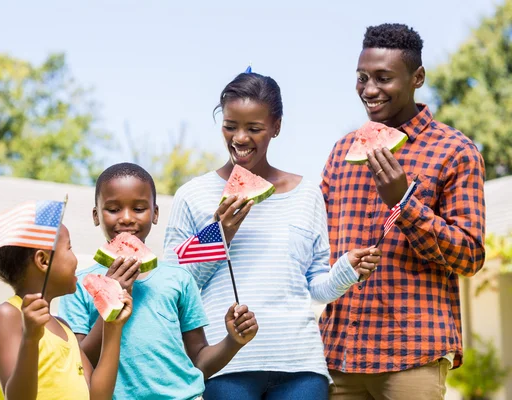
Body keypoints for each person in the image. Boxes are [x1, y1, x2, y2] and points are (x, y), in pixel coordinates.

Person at [163, 70, 382, 400]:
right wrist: (219, 234)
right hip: (227, 366)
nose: (240, 138)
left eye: (254, 128)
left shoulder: (307, 194)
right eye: (230, 126)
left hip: (300, 368)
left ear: (276, 127)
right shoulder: (193, 195)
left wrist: (346, 270)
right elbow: (175, 288)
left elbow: (317, 287)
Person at [319, 23, 486, 400]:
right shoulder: (342, 151)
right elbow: (317, 245)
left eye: (383, 77)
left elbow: (470, 256)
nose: (369, 89)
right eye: (362, 77)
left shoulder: (456, 151)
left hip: (413, 354)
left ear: (417, 78)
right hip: (339, 354)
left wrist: (404, 203)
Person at [59, 162, 259, 400]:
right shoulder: (78, 285)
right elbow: (79, 366)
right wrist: (110, 299)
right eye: (113, 209)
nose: (126, 218)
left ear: (155, 214)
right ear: (96, 215)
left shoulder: (179, 279)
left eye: (139, 208)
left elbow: (200, 362)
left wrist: (233, 342)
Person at [0, 201, 132, 400]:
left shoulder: (64, 327)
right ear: (43, 261)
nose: (76, 259)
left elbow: (98, 397)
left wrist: (113, 326)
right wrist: (31, 339)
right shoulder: (9, 315)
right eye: (69, 248)